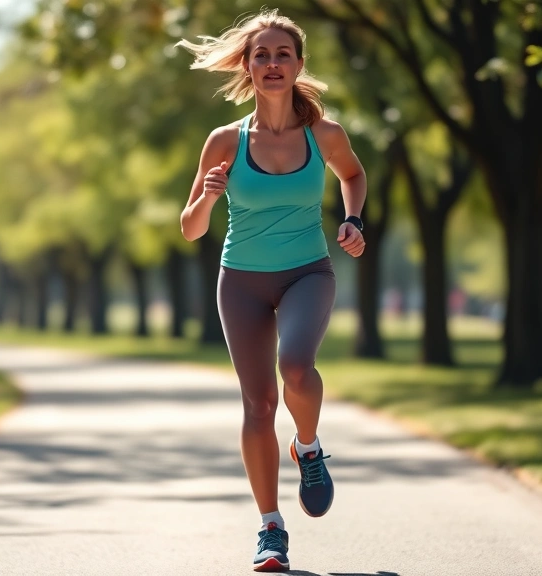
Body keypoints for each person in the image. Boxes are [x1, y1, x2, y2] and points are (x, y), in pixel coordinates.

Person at [178, 9, 367, 573]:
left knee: (298, 369)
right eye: (261, 55)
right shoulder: (224, 141)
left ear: (299, 64)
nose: (272, 63)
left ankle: (307, 446)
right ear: (248, 67)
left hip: (308, 270)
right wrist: (210, 195)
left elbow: (353, 176)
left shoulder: (324, 134)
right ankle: (270, 530)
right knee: (258, 405)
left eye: (282, 53)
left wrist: (354, 222)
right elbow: (190, 227)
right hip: (241, 281)